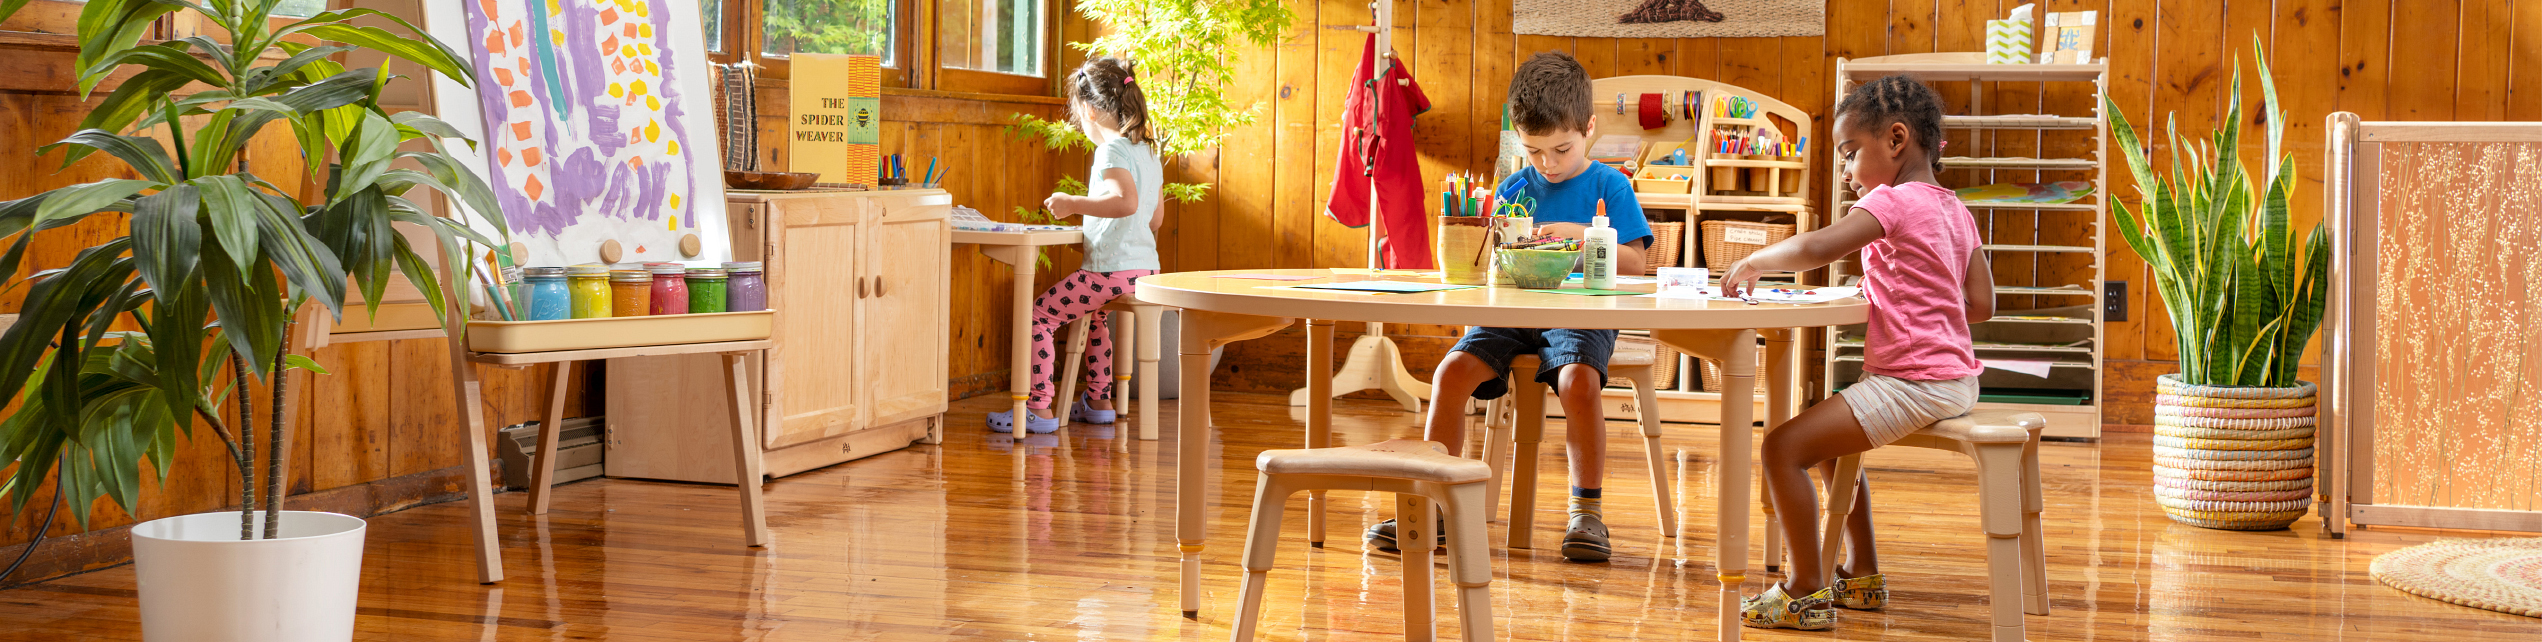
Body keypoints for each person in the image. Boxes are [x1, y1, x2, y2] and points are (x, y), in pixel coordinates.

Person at [1720, 74, 1993, 630]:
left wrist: (1756, 261)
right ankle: (1861, 573)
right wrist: (1915, 298)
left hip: (1915, 381)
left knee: (1781, 449)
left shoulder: (1892, 200)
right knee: (1825, 442)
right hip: (1957, 378)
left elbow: (1819, 245)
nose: (1845, 172)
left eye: (1849, 154)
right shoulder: (1955, 210)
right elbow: (1982, 303)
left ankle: (1802, 591)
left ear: (1896, 140)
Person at [1365, 51, 1652, 563]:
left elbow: (1634, 263)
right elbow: (1491, 265)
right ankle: (1438, 505)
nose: (1548, 163)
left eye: (1561, 149)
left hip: (1579, 315)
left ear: (1589, 128)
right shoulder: (1513, 190)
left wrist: (1579, 235)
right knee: (1451, 372)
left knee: (1578, 382)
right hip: (1512, 312)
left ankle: (1586, 513)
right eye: (1534, 150)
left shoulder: (1610, 185)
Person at [987, 56, 1166, 435]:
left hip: (1109, 270)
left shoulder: (1111, 151)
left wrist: (1073, 204)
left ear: (1090, 109)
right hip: (1144, 270)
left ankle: (1038, 406)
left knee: (1040, 316)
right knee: (1095, 315)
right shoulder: (1149, 151)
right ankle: (1099, 400)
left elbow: (1126, 202)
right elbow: (1153, 219)